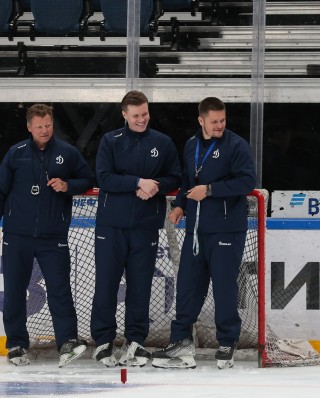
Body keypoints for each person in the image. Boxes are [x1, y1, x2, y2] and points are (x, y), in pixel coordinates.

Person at [0, 103, 94, 367]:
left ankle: (67, 342)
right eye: (39, 127)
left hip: (52, 236)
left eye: (48, 125)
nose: (44, 130)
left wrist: (68, 185)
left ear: (52, 124)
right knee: (14, 291)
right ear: (29, 127)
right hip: (17, 235)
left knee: (60, 290)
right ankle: (16, 345)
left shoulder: (67, 153)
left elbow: (87, 180)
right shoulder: (16, 153)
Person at [152, 96, 256, 370]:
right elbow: (188, 181)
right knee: (188, 287)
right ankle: (181, 341)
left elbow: (247, 181)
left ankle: (227, 342)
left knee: (224, 287)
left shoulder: (236, 145)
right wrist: (180, 207)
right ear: (201, 121)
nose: (219, 125)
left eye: (222, 120)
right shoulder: (191, 145)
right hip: (196, 231)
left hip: (226, 230)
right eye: (214, 121)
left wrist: (209, 190)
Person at [91, 90, 181, 367]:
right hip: (111, 227)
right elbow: (104, 178)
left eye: (144, 114)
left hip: (145, 227)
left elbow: (175, 177)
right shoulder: (110, 140)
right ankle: (104, 343)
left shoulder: (162, 142)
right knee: (106, 284)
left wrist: (155, 187)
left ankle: (136, 342)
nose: (141, 119)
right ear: (124, 115)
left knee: (140, 287)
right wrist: (137, 182)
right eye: (136, 116)